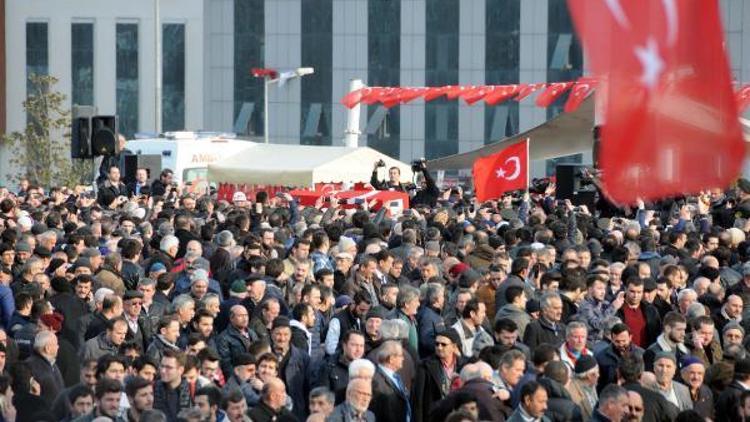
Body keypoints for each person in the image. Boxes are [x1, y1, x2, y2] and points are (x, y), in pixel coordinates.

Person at [412, 329, 463, 422]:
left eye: (444, 345)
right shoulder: (425, 366)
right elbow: (418, 400)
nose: (439, 347)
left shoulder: (463, 364)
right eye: (437, 344)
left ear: (454, 346)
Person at [370, 340, 410, 422]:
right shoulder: (376, 381)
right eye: (401, 355)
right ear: (391, 359)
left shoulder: (396, 377)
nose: (403, 358)